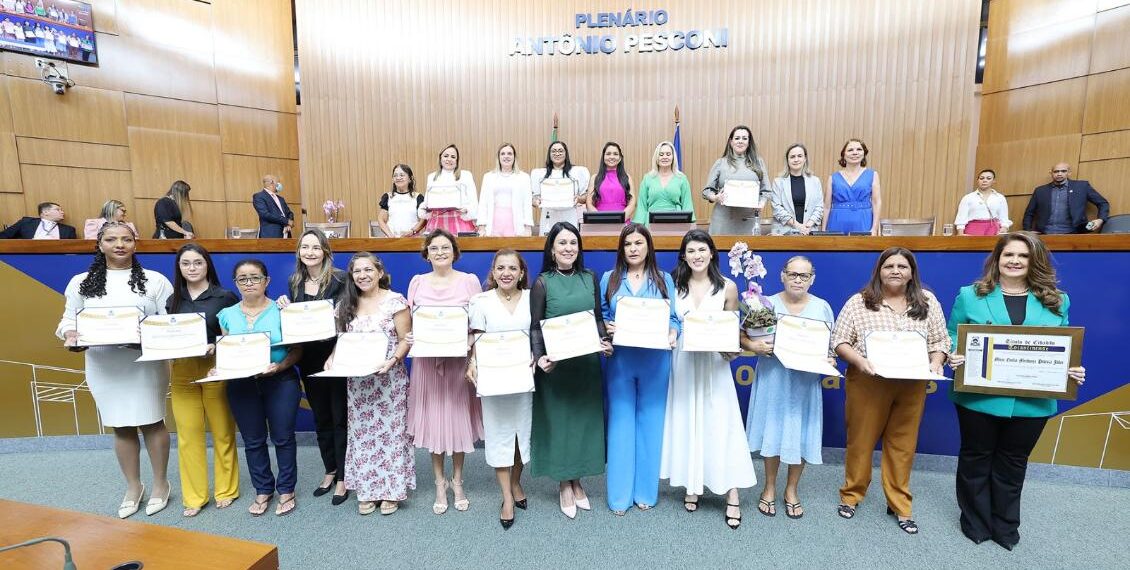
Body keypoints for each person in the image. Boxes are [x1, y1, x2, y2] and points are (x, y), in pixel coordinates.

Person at [945, 232, 1086, 550]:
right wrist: (956, 353)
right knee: (975, 458)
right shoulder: (971, 295)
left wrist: (1070, 369)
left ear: (1033, 261)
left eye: (1022, 256)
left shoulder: (1056, 300)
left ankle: (1006, 525)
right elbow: (953, 331)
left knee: (1013, 462)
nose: (1014, 261)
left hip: (1032, 402)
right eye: (1008, 254)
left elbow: (1062, 345)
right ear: (997, 259)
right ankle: (975, 521)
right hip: (978, 397)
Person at [57, 222, 174, 518]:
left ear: (136, 243)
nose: (119, 245)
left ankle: (161, 484)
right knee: (120, 426)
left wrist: (149, 338)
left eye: (126, 239)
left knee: (152, 421)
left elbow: (169, 321)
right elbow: (68, 321)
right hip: (103, 364)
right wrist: (71, 336)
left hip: (144, 363)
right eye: (111, 239)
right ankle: (134, 486)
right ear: (100, 244)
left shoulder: (155, 280)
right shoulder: (80, 281)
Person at [831, 247, 949, 534]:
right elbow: (840, 340)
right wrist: (860, 361)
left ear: (912, 273)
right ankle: (851, 495)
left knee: (903, 446)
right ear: (879, 271)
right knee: (860, 442)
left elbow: (941, 341)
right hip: (869, 383)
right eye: (889, 266)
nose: (895, 271)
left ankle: (899, 504)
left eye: (902, 266)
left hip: (911, 385)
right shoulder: (859, 302)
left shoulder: (928, 301)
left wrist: (936, 362)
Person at [660, 230, 755, 530]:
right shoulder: (672, 285)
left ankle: (732, 493)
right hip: (684, 362)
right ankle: (692, 483)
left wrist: (732, 351)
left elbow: (732, 331)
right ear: (683, 256)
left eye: (702, 249)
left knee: (721, 423)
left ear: (712, 253)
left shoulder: (728, 287)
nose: (697, 255)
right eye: (691, 251)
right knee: (687, 419)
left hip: (715, 365)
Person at [530, 222, 613, 518]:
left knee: (583, 424)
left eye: (573, 243)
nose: (568, 248)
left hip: (586, 364)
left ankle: (578, 481)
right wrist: (540, 359)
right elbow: (535, 326)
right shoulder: (542, 282)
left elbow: (598, 318)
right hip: (556, 368)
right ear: (552, 249)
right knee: (561, 424)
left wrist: (604, 341)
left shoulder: (589, 277)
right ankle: (564, 484)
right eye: (562, 243)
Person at [743, 256, 834, 520]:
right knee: (772, 433)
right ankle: (769, 487)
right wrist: (754, 346)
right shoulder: (764, 304)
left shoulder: (822, 308)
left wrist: (829, 358)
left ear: (812, 279)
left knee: (800, 434)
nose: (797, 280)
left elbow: (830, 347)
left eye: (803, 276)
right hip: (774, 379)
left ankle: (791, 490)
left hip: (804, 384)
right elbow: (744, 337)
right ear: (782, 275)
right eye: (792, 274)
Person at [600, 223, 679, 516]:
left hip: (655, 362)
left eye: (638, 243)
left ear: (648, 247)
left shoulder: (664, 279)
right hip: (621, 360)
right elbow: (604, 316)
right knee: (621, 425)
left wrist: (673, 333)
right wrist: (607, 328)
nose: (633, 248)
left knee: (651, 425)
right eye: (628, 244)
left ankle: (645, 491)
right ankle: (619, 496)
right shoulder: (610, 278)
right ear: (622, 249)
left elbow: (674, 319)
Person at [328, 252, 414, 516]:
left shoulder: (395, 302)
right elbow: (340, 340)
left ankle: (391, 490)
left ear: (379, 272)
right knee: (363, 437)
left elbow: (406, 339)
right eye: (357, 272)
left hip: (389, 381)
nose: (363, 276)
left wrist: (393, 361)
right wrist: (332, 359)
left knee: (390, 435)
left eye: (368, 270)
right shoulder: (346, 305)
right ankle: (367, 490)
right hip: (358, 385)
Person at [216, 260, 303, 517]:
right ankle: (263, 488)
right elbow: (227, 352)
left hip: (281, 380)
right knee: (253, 440)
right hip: (241, 384)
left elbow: (297, 349)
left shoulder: (282, 310)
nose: (249, 283)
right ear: (235, 284)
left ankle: (286, 488)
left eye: (255, 277)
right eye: (243, 279)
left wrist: (279, 366)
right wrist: (219, 367)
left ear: (266, 281)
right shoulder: (227, 315)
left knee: (283, 437)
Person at [405, 229, 484, 514]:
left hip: (457, 364)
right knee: (435, 422)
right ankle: (440, 482)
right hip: (427, 365)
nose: (440, 252)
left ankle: (458, 480)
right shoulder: (416, 283)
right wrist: (412, 336)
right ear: (426, 253)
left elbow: (478, 324)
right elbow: (409, 323)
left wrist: (469, 345)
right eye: (434, 248)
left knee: (458, 420)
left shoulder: (469, 282)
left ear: (455, 251)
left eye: (445, 247)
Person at [166, 244, 240, 517]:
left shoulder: (225, 297)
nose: (193, 268)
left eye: (198, 262)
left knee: (222, 432)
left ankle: (226, 490)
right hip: (182, 371)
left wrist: (216, 346)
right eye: (186, 264)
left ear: (207, 264)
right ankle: (195, 497)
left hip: (215, 369)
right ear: (179, 268)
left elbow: (236, 336)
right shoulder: (173, 299)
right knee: (188, 436)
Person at [276, 229, 349, 505]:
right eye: (305, 247)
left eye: (315, 247)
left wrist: (340, 313)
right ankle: (330, 469)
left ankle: (344, 476)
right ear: (298, 252)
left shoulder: (341, 278)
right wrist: (285, 306)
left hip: (336, 355)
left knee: (340, 415)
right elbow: (295, 324)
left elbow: (348, 316)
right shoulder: (295, 281)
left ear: (325, 252)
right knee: (321, 416)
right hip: (308, 358)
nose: (310, 252)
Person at [467, 249, 533, 529]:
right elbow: (477, 340)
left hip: (522, 378)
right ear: (493, 272)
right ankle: (506, 496)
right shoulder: (480, 301)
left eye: (512, 268)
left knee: (521, 436)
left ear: (521, 273)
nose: (506, 273)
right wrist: (472, 363)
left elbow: (539, 336)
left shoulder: (533, 298)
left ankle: (516, 482)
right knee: (499, 436)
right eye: (501, 268)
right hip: (493, 380)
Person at [702, 125, 771, 235]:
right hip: (723, 221)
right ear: (731, 141)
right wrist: (716, 197)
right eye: (737, 138)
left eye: (744, 138)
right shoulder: (720, 163)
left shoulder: (759, 163)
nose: (740, 141)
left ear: (749, 142)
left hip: (748, 222)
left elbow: (766, 191)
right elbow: (706, 192)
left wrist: (762, 203)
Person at [1022, 163, 1109, 234]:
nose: (1059, 174)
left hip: (1073, 234)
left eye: (1063, 171)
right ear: (1051, 173)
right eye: (1056, 171)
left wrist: (1100, 219)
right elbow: (1029, 213)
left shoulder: (1082, 186)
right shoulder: (1040, 191)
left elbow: (1103, 203)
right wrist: (1027, 232)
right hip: (1044, 234)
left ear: (1069, 173)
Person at [531, 141, 590, 235]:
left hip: (570, 215)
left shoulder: (578, 172)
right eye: (553, 151)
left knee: (569, 241)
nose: (557, 153)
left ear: (566, 153)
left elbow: (585, 197)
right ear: (549, 154)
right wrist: (536, 201)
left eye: (560, 151)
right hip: (548, 216)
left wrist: (579, 198)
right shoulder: (539, 174)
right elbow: (533, 199)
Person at [823, 139, 881, 234]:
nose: (855, 153)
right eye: (850, 150)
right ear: (843, 155)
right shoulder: (833, 177)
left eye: (859, 149)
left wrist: (874, 229)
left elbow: (876, 203)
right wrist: (823, 230)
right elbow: (826, 206)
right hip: (837, 223)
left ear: (864, 153)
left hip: (863, 222)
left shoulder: (873, 175)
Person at [477, 143, 534, 237]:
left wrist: (528, 228)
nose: (506, 156)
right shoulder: (488, 177)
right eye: (503, 154)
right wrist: (482, 227)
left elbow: (527, 204)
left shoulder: (524, 177)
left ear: (514, 157)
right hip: (494, 223)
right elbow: (483, 203)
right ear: (498, 157)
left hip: (515, 224)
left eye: (509, 153)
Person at [632, 141, 694, 227]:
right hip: (651, 223)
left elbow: (687, 204)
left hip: (676, 222)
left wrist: (690, 226)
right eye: (661, 154)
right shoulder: (647, 178)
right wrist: (639, 227)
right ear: (656, 158)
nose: (665, 157)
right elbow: (642, 206)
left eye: (668, 154)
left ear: (673, 157)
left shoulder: (682, 178)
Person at [420, 145, 478, 235]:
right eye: (446, 156)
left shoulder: (466, 175)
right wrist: (426, 209)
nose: (449, 159)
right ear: (440, 158)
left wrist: (467, 210)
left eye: (453, 157)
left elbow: (473, 201)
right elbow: (427, 202)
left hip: (460, 222)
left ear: (457, 160)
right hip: (437, 223)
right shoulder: (432, 177)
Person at [769, 144, 824, 235]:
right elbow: (777, 209)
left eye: (799, 156)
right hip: (784, 232)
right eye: (792, 157)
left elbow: (819, 207)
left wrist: (808, 225)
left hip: (809, 231)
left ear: (805, 159)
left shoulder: (815, 181)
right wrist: (798, 226)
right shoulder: (778, 182)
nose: (796, 159)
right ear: (787, 160)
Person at [586, 141, 636, 221]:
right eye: (608, 154)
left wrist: (620, 218)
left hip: (622, 222)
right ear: (603, 157)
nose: (612, 157)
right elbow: (589, 204)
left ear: (620, 158)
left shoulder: (627, 177)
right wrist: (600, 219)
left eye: (615, 154)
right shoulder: (595, 178)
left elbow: (632, 203)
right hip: (599, 223)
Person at [955, 169, 1011, 236]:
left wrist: (1004, 228)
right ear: (978, 180)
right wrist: (960, 234)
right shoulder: (968, 197)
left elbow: (1004, 217)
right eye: (981, 178)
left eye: (988, 178)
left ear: (993, 181)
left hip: (994, 229)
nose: (984, 180)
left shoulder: (1000, 197)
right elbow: (961, 218)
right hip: (973, 228)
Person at [376, 164, 425, 238]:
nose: (398, 178)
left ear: (410, 179)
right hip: (392, 239)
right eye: (395, 175)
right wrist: (390, 235)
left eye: (402, 175)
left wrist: (412, 231)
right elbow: (381, 219)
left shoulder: (418, 197)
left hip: (413, 239)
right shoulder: (388, 197)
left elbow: (424, 219)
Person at [1, 202, 76, 239]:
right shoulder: (26, 222)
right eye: (58, 210)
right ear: (45, 212)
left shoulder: (69, 230)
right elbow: (4, 236)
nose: (62, 212)